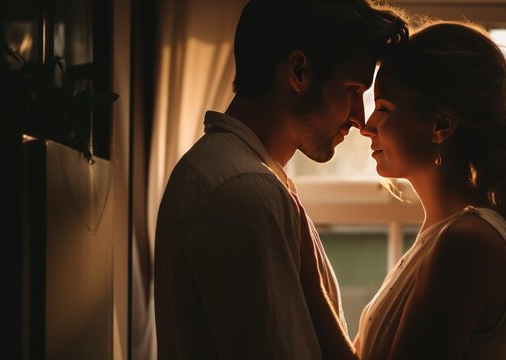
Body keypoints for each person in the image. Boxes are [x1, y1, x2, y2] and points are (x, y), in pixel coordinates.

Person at [153, 0, 406, 358]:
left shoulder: (229, 173)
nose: (359, 119)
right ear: (299, 72)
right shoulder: (245, 192)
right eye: (352, 91)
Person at [353, 21, 506, 359]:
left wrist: (308, 279)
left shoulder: (467, 242)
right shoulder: (444, 234)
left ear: (440, 124)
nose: (366, 126)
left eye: (384, 109)